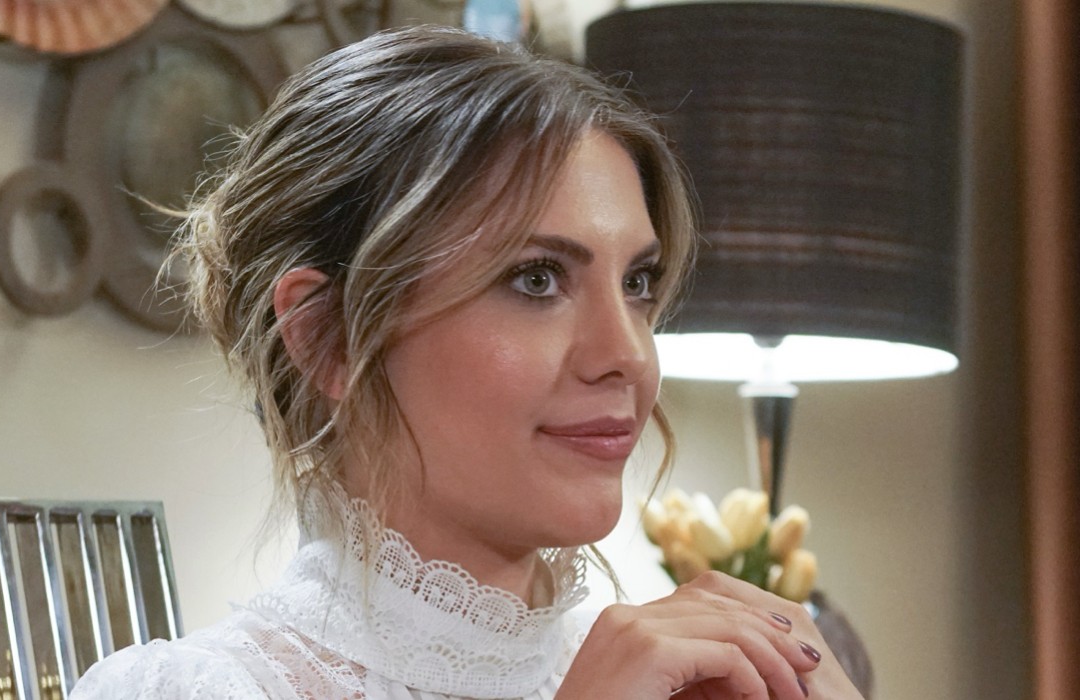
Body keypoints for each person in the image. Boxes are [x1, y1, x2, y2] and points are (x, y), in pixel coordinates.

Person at [72, 25, 866, 700]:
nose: (628, 354)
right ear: (324, 337)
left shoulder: (691, 677)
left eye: (637, 283)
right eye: (537, 279)